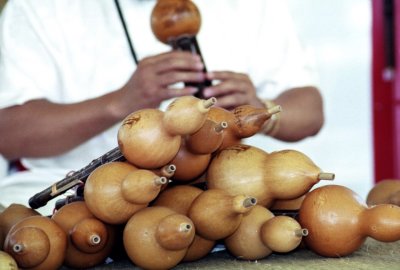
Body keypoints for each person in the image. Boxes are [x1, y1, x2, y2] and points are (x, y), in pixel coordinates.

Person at [0, 0, 323, 215]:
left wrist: (261, 112)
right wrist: (119, 103)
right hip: (71, 198)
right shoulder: (38, 7)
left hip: (224, 194)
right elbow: (8, 133)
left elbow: (310, 111)